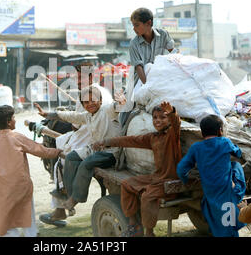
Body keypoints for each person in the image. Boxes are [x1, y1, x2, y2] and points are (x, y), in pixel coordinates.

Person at [92, 101, 182, 237]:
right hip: (156, 178)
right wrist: (106, 142)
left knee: (147, 197)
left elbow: (176, 124)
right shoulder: (153, 137)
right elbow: (130, 140)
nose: (158, 121)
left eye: (162, 117)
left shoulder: (172, 136)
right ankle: (134, 225)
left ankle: (150, 232)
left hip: (169, 180)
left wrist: (172, 112)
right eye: (155, 117)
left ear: (169, 120)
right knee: (127, 184)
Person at [39, 62, 113, 225]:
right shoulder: (103, 91)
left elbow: (75, 125)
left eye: (81, 80)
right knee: (64, 147)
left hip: (91, 141)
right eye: (77, 80)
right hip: (91, 137)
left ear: (91, 77)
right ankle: (65, 202)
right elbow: (77, 118)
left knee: (61, 160)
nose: (79, 84)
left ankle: (61, 208)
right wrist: (54, 114)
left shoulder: (87, 95)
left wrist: (59, 115)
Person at [0, 105, 63, 237]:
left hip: (1, 190)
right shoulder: (17, 138)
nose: (15, 120)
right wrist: (58, 152)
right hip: (21, 186)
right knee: (28, 215)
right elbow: (40, 150)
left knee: (6, 222)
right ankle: (32, 234)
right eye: (14, 117)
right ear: (9, 122)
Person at [36, 85, 125, 212]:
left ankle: (75, 199)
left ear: (100, 100)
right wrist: (47, 114)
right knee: (71, 157)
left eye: (93, 100)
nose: (90, 104)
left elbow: (118, 107)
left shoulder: (107, 110)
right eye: (86, 102)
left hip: (111, 153)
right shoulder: (88, 116)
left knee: (86, 164)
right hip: (96, 150)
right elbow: (70, 116)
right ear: (82, 105)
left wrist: (121, 101)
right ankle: (69, 194)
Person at [176, 114, 246, 237]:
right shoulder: (225, 142)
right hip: (226, 190)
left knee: (219, 221)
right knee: (236, 166)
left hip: (209, 191)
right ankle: (239, 194)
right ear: (220, 131)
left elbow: (181, 169)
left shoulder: (196, 147)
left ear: (202, 133)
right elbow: (238, 153)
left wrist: (185, 180)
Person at [120, 7, 175, 128]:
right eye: (133, 26)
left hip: (160, 75)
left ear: (148, 23)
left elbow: (174, 53)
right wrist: (148, 86)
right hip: (140, 79)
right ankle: (123, 130)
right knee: (126, 107)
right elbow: (139, 67)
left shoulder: (163, 35)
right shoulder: (134, 43)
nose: (134, 29)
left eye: (137, 25)